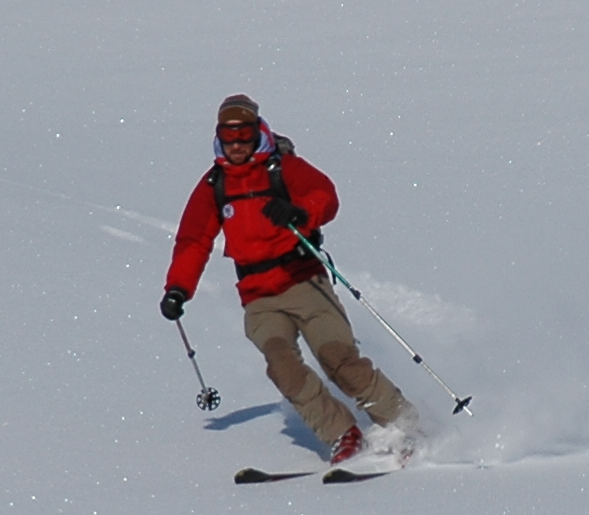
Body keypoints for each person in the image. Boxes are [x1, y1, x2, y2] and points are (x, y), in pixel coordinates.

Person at [161, 95, 411, 465]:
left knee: (338, 359)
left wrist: (299, 211)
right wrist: (178, 288)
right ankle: (343, 434)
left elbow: (326, 196)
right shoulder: (215, 185)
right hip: (258, 296)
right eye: (228, 137)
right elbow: (194, 239)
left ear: (257, 131)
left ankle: (405, 425)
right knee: (282, 367)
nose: (237, 145)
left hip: (302, 280)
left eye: (244, 134)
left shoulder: (282, 169)